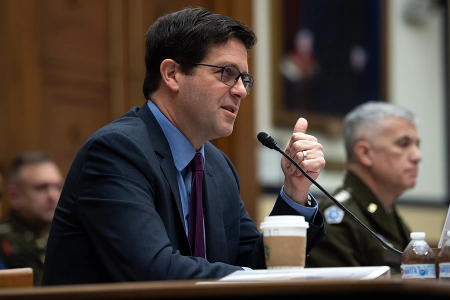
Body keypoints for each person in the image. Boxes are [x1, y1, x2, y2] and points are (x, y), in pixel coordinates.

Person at [42, 8, 326, 285]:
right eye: (226, 73)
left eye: (244, 79)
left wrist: (295, 191)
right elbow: (153, 271)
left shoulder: (218, 167)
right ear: (172, 74)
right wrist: (253, 278)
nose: (240, 90)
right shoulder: (116, 152)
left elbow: (255, 261)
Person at [305, 101, 421, 274]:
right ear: (365, 153)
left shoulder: (387, 212)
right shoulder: (337, 221)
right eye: (403, 144)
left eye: (417, 145)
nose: (417, 156)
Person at [0, 151, 63, 285]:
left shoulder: (65, 238)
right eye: (41, 187)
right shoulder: (6, 243)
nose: (53, 195)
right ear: (14, 196)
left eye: (57, 186)